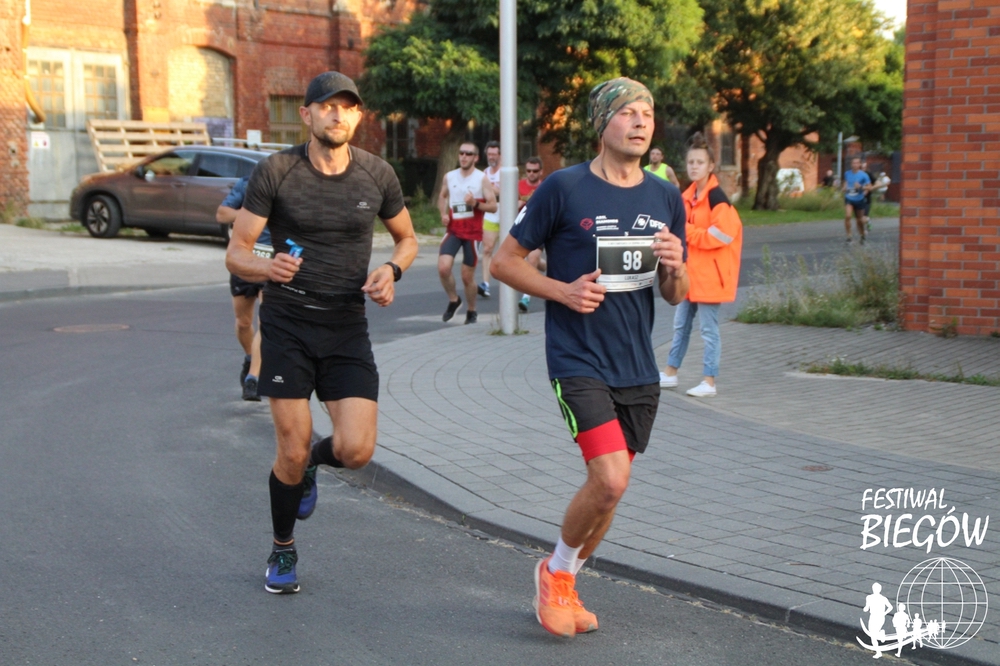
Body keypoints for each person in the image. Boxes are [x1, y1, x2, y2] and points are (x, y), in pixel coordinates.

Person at [491, 77, 689, 638]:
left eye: (647, 111)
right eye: (627, 111)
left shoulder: (665, 197)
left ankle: (566, 580)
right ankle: (554, 573)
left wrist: (676, 266)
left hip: (637, 365)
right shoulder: (564, 187)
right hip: (578, 359)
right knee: (609, 480)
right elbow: (503, 263)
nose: (640, 121)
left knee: (612, 490)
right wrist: (563, 291)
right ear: (603, 124)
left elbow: (675, 294)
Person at [225, 71, 418, 595]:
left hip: (346, 324)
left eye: (347, 106)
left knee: (356, 450)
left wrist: (392, 270)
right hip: (287, 324)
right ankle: (282, 547)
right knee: (290, 448)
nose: (337, 114)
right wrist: (267, 267)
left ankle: (314, 463)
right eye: (327, 105)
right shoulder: (277, 171)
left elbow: (406, 239)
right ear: (306, 114)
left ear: (358, 116)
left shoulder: (377, 174)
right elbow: (237, 252)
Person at [659, 132, 743, 398]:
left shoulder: (718, 198)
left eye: (699, 162)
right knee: (680, 326)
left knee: (708, 330)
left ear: (710, 166)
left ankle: (709, 381)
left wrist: (688, 231)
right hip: (690, 274)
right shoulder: (687, 197)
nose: (694, 166)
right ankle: (670, 372)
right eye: (691, 162)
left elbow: (722, 235)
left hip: (710, 276)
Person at [218, 176, 273, 401]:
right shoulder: (248, 183)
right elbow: (222, 214)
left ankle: (253, 378)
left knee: (265, 322)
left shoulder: (288, 186)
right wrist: (251, 214)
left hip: (272, 263)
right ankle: (251, 358)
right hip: (245, 260)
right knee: (243, 322)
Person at [437, 141, 497, 324]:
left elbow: (493, 206)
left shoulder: (481, 179)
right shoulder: (449, 176)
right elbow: (442, 196)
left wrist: (475, 204)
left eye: (468, 154)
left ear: (475, 158)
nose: (464, 157)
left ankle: (472, 311)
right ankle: (454, 300)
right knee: (443, 268)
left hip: (473, 234)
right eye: (461, 153)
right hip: (454, 230)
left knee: (466, 276)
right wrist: (443, 214)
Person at [516, 156, 545, 313]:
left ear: (541, 172)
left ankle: (526, 297)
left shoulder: (545, 186)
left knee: (531, 259)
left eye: (535, 171)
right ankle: (549, 266)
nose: (531, 174)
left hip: (540, 227)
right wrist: (517, 204)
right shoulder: (518, 186)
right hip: (523, 227)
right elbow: (508, 205)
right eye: (528, 171)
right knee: (531, 260)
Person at [477, 141, 502, 299]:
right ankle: (485, 284)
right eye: (489, 154)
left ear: (500, 155)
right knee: (487, 249)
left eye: (494, 154)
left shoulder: (505, 172)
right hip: (491, 214)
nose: (491, 157)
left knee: (513, 252)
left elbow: (505, 190)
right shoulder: (485, 172)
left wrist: (490, 189)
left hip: (506, 213)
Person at [842, 157, 871, 244]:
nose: (854, 165)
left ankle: (862, 236)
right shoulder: (847, 173)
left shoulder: (864, 175)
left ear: (859, 164)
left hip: (859, 199)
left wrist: (861, 187)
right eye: (853, 163)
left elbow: (869, 187)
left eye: (856, 163)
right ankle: (849, 236)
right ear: (851, 164)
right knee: (848, 216)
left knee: (859, 220)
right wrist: (844, 187)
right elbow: (846, 182)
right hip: (849, 197)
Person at [861, 159, 877, 232]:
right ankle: (868, 221)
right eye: (862, 168)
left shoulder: (869, 174)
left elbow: (876, 182)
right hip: (858, 198)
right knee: (861, 217)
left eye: (864, 167)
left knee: (864, 216)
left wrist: (870, 188)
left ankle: (864, 231)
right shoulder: (857, 175)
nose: (863, 169)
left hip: (867, 199)